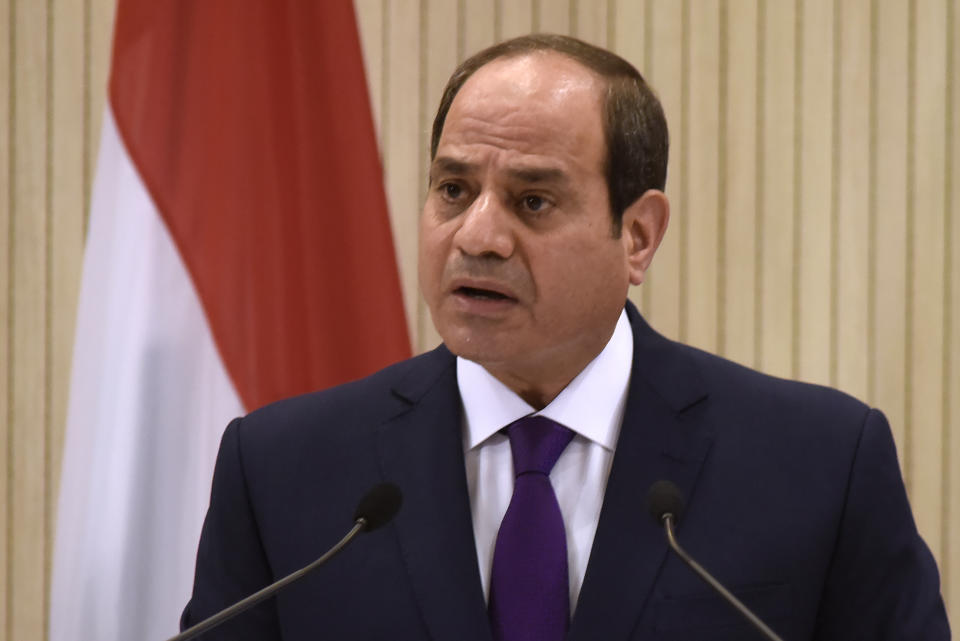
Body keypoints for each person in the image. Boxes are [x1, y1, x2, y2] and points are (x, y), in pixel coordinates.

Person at [182, 34, 950, 640]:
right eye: (453, 189)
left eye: (533, 199)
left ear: (639, 236)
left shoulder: (819, 463)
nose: (477, 235)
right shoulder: (283, 470)